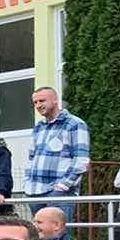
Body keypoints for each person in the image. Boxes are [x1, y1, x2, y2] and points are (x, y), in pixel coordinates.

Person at [27, 86, 90, 220]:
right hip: (34, 191)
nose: (38, 105)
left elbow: (81, 161)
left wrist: (62, 186)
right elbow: (32, 158)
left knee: (59, 237)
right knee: (40, 238)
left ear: (55, 100)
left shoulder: (74, 124)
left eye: (42, 101)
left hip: (59, 193)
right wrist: (27, 184)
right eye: (35, 102)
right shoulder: (39, 127)